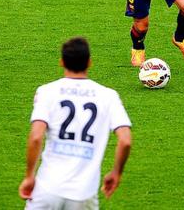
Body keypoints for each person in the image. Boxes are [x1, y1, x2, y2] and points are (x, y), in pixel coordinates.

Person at [18, 37, 132, 209]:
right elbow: (125, 141)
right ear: (89, 62)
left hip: (47, 189)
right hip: (84, 194)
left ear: (62, 62)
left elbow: (36, 137)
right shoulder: (108, 96)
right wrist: (117, 172)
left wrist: (29, 176)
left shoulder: (47, 92)